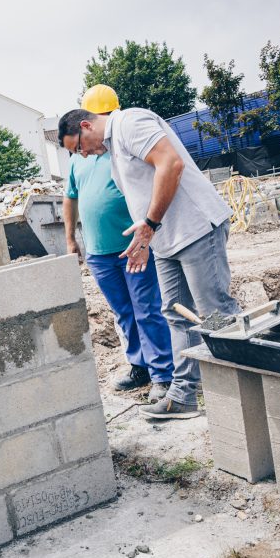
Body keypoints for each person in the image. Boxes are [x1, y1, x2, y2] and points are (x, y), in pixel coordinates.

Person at [58, 102, 240, 421]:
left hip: (194, 228)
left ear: (85, 126)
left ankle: (246, 385)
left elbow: (170, 164)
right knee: (175, 314)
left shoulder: (129, 123)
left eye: (79, 148)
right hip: (166, 239)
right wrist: (146, 236)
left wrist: (150, 225)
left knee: (215, 313)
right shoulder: (113, 147)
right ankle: (183, 394)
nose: (83, 155)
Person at [64, 85, 174, 399]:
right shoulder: (78, 157)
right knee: (124, 312)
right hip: (98, 251)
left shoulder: (122, 142)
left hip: (133, 248)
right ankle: (140, 367)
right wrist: (71, 239)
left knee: (147, 309)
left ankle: (163, 374)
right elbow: (69, 198)